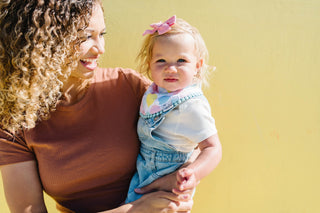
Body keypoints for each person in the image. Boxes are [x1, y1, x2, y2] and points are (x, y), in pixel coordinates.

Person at [0, 1, 195, 212]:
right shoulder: (17, 120)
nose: (100, 49)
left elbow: (196, 142)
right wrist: (134, 210)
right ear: (44, 40)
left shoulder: (129, 86)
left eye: (102, 34)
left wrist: (180, 180)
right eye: (86, 37)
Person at [125, 15, 222, 203]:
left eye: (181, 61)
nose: (171, 68)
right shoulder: (155, 92)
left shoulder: (190, 105)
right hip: (144, 174)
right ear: (149, 65)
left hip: (172, 184)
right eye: (161, 60)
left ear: (197, 66)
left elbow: (213, 147)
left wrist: (193, 172)